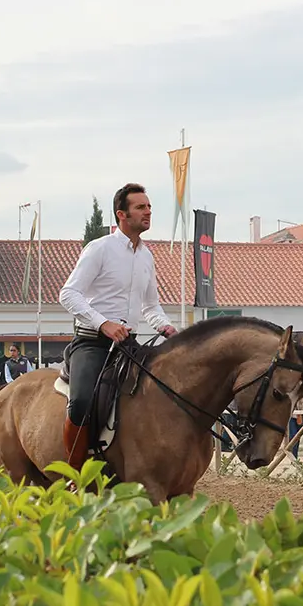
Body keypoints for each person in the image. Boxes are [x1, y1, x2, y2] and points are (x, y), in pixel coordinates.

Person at [58, 182, 177, 469]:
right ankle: (77, 474)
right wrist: (104, 324)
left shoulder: (147, 256)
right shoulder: (99, 248)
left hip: (128, 345)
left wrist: (168, 328)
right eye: (140, 207)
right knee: (83, 401)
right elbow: (68, 294)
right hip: (92, 342)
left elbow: (150, 307)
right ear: (121, 214)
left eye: (149, 207)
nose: (148, 212)